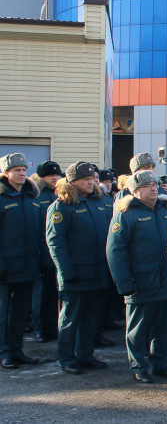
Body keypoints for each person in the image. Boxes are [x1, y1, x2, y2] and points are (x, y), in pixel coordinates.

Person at [106, 170, 167, 383]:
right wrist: (124, 282)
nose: (154, 188)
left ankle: (161, 363)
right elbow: (115, 251)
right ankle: (138, 365)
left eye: (154, 185)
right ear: (135, 191)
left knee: (163, 326)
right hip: (140, 281)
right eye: (147, 186)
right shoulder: (126, 215)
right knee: (138, 328)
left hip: (165, 279)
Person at [47, 161, 113, 374]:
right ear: (73, 182)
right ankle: (67, 358)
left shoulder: (98, 202)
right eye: (86, 179)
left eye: (92, 178)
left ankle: (86, 355)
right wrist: (66, 272)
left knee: (91, 318)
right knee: (69, 319)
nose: (91, 182)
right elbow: (56, 242)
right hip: (75, 274)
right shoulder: (61, 206)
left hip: (97, 272)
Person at [0, 153, 42, 369]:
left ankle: (17, 349)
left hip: (27, 266)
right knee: (2, 313)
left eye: (24, 170)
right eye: (17, 170)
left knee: (20, 312)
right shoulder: (1, 199)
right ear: (6, 173)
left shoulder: (32, 198)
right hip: (5, 269)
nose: (22, 173)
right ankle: (4, 352)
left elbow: (39, 234)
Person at [29, 161, 62, 343]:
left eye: (57, 175)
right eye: (51, 176)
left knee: (52, 293)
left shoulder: (58, 194)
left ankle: (51, 326)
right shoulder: (36, 194)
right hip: (41, 251)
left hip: (55, 252)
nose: (55, 178)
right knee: (39, 293)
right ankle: (39, 328)